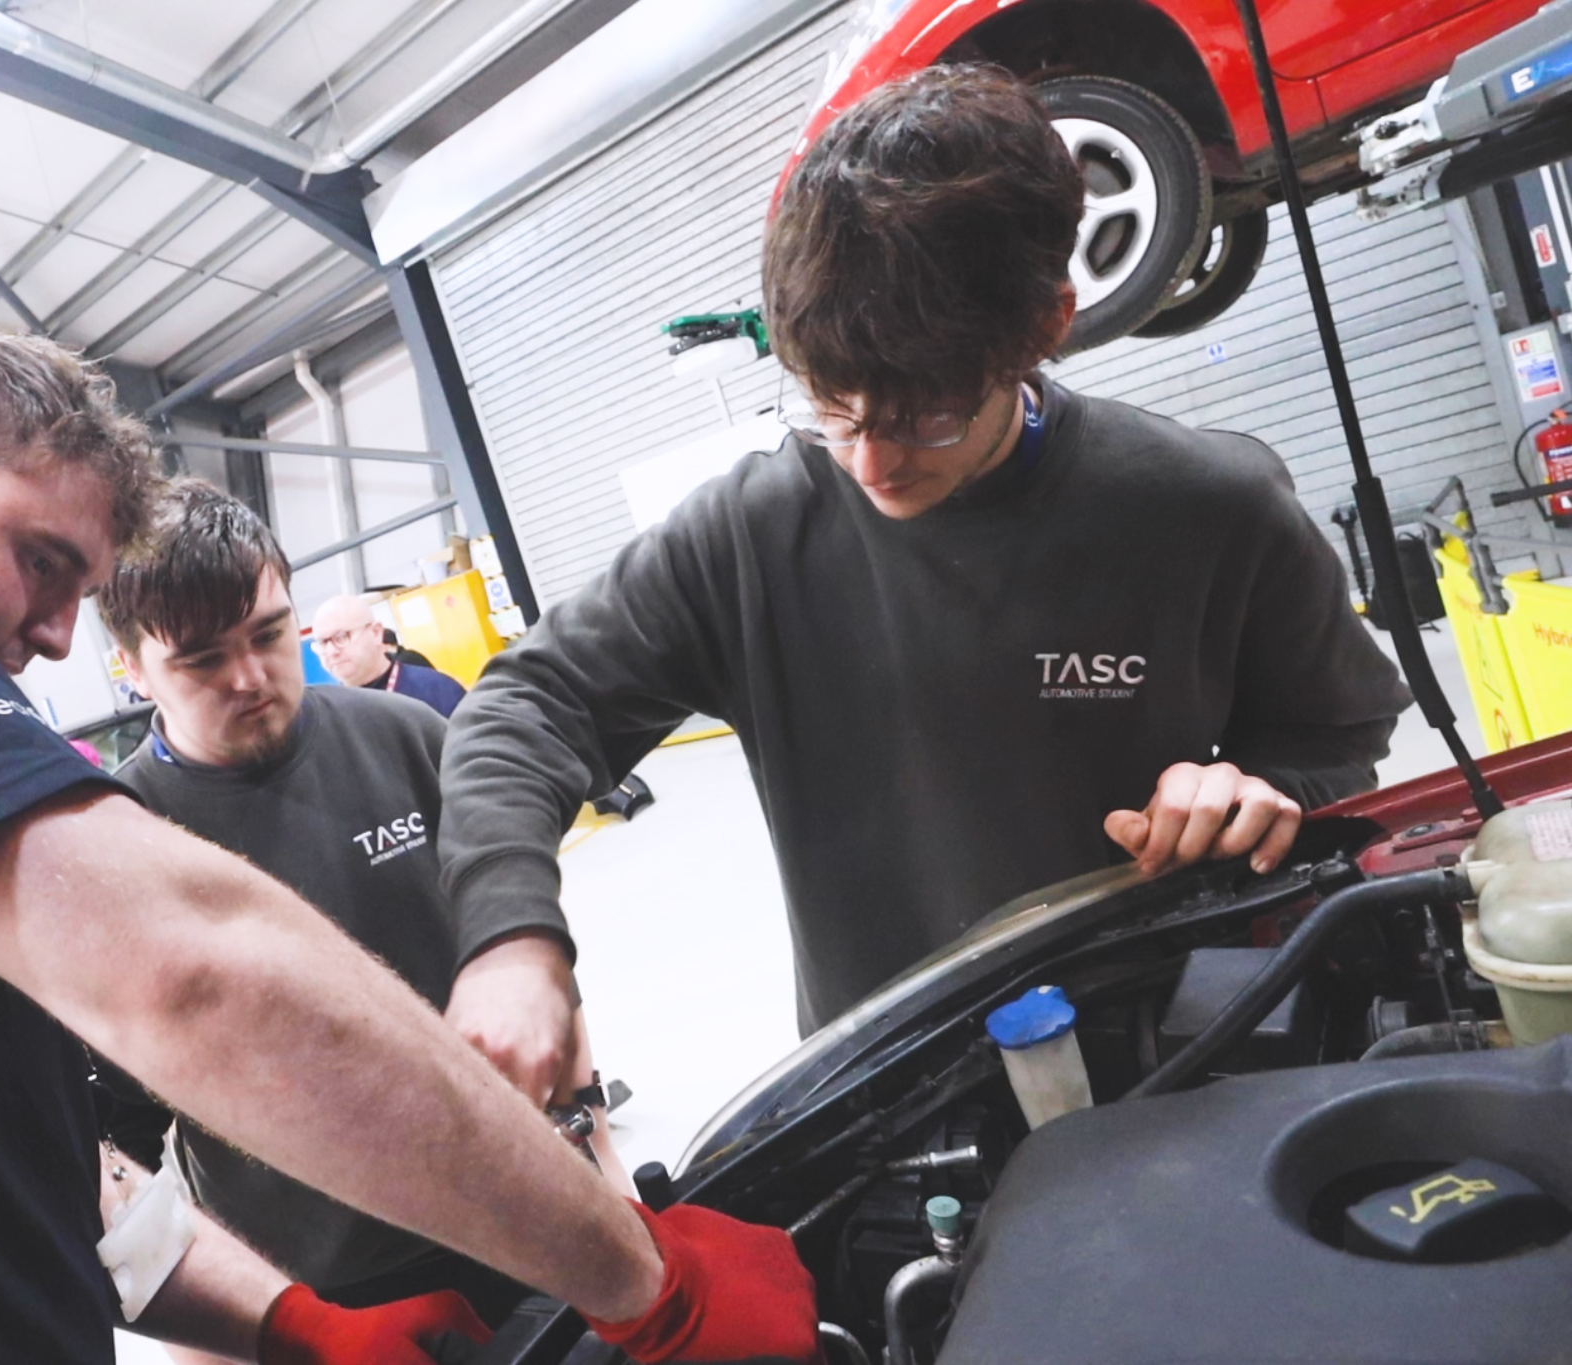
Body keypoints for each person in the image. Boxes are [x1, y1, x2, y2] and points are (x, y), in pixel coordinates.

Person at [0, 330, 819, 1364]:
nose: (47, 638)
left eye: (76, 595)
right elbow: (188, 973)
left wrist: (288, 1325)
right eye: (40, 562)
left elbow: (43, 1156)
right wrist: (638, 1280)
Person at [435, 66, 1414, 1102]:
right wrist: (508, 936)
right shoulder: (754, 533)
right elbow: (528, 705)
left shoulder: (1205, 506)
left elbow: (1333, 741)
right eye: (830, 409)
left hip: (1171, 1055)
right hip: (883, 1093)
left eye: (924, 416)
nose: (870, 462)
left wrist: (1254, 792)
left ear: (1043, 324)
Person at [92, 483, 629, 1349]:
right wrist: (232, 1330)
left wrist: (599, 1159)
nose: (250, 677)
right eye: (199, 659)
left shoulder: (408, 735)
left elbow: (530, 961)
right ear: (131, 665)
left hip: (521, 1204)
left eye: (269, 633)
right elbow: (120, 1139)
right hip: (323, 1280)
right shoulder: (115, 844)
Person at [311, 594, 467, 717]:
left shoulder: (436, 689)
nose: (331, 652)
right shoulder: (327, 716)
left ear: (376, 633)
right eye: (323, 643)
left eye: (341, 637)